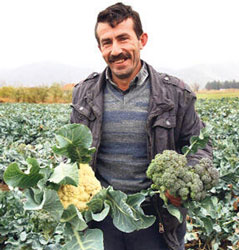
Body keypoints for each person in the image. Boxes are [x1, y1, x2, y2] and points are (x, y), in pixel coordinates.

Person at [70, 2, 212, 250]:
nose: (116, 50)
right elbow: (72, 155)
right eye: (107, 42)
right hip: (101, 219)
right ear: (100, 47)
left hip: (155, 219)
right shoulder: (83, 93)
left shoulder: (175, 93)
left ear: (141, 40)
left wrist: (181, 184)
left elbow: (199, 147)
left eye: (123, 39)